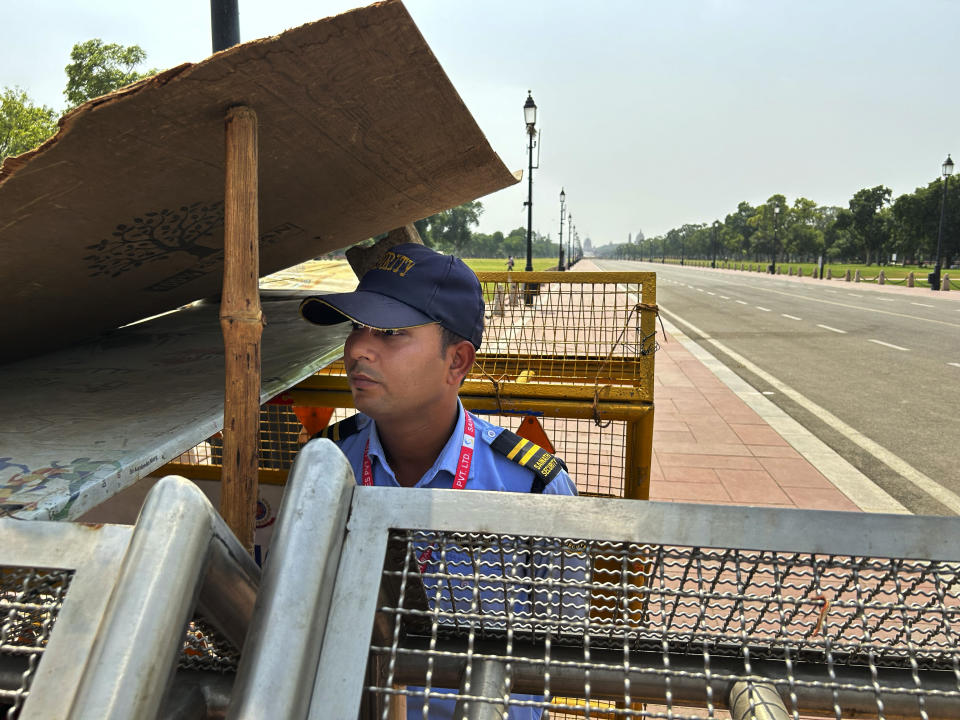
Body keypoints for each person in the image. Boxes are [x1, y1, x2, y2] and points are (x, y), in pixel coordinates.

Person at [299, 242, 577, 719]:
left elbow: (562, 652)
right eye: (356, 328)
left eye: (389, 333)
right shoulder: (324, 468)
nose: (359, 349)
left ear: (457, 362)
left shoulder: (533, 487)